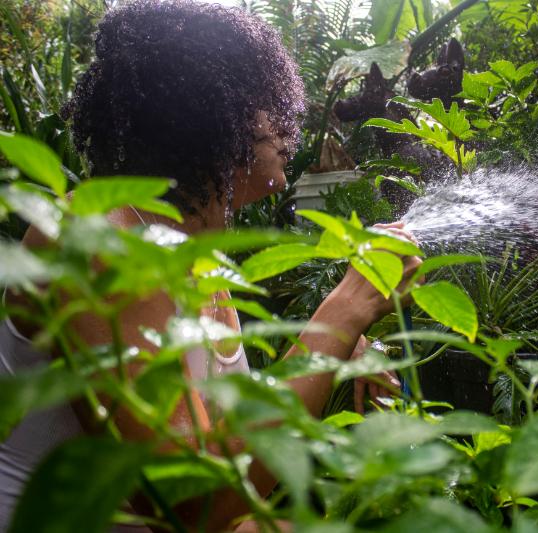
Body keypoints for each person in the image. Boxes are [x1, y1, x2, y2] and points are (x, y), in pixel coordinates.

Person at [0, 1, 421, 531]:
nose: (286, 124)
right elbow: (194, 502)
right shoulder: (96, 239)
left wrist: (340, 355)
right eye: (265, 100)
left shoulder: (194, 254)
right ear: (206, 113)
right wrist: (342, 315)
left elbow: (219, 447)